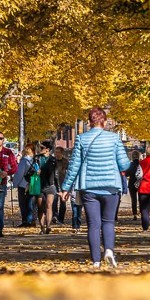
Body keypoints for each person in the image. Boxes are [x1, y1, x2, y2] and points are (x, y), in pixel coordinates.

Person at [60, 107, 130, 268]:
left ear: (90, 123)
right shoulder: (114, 139)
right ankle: (109, 251)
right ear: (104, 122)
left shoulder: (81, 139)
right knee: (108, 222)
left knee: (93, 224)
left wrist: (65, 188)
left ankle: (96, 261)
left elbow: (74, 166)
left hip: (89, 188)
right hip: (111, 187)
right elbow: (124, 164)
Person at [34, 141, 58, 234]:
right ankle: (42, 227)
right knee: (40, 207)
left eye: (42, 147)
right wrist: (35, 172)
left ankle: (48, 226)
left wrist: (59, 189)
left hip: (50, 185)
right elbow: (30, 170)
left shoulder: (53, 160)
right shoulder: (36, 158)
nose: (40, 149)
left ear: (47, 149)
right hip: (39, 184)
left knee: (49, 205)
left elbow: (56, 174)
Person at [12, 145, 36, 227]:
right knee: (30, 203)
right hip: (32, 183)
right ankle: (31, 219)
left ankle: (26, 221)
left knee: (23, 204)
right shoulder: (34, 161)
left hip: (23, 184)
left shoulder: (23, 161)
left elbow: (19, 174)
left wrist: (15, 183)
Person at [51, 147, 68, 225]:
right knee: (54, 201)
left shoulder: (65, 162)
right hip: (54, 184)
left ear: (62, 153)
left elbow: (68, 173)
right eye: (56, 152)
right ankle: (55, 216)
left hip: (63, 183)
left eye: (58, 152)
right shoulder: (53, 161)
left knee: (63, 202)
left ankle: (61, 218)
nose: (56, 154)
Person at [125, 150, 141, 220]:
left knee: (133, 199)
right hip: (140, 183)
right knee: (141, 199)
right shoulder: (141, 164)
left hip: (132, 183)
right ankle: (141, 212)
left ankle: (135, 214)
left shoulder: (130, 164)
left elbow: (126, 174)